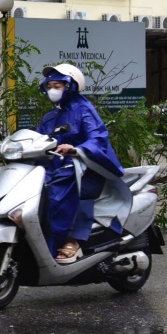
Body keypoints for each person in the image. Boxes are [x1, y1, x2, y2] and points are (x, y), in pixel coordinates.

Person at [35, 63, 124, 264]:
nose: (52, 90)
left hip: (86, 166)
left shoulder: (84, 109)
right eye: (50, 86)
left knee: (58, 190)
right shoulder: (52, 115)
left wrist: (76, 149)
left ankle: (69, 240)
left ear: (71, 86)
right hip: (57, 165)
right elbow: (38, 138)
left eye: (57, 86)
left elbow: (98, 137)